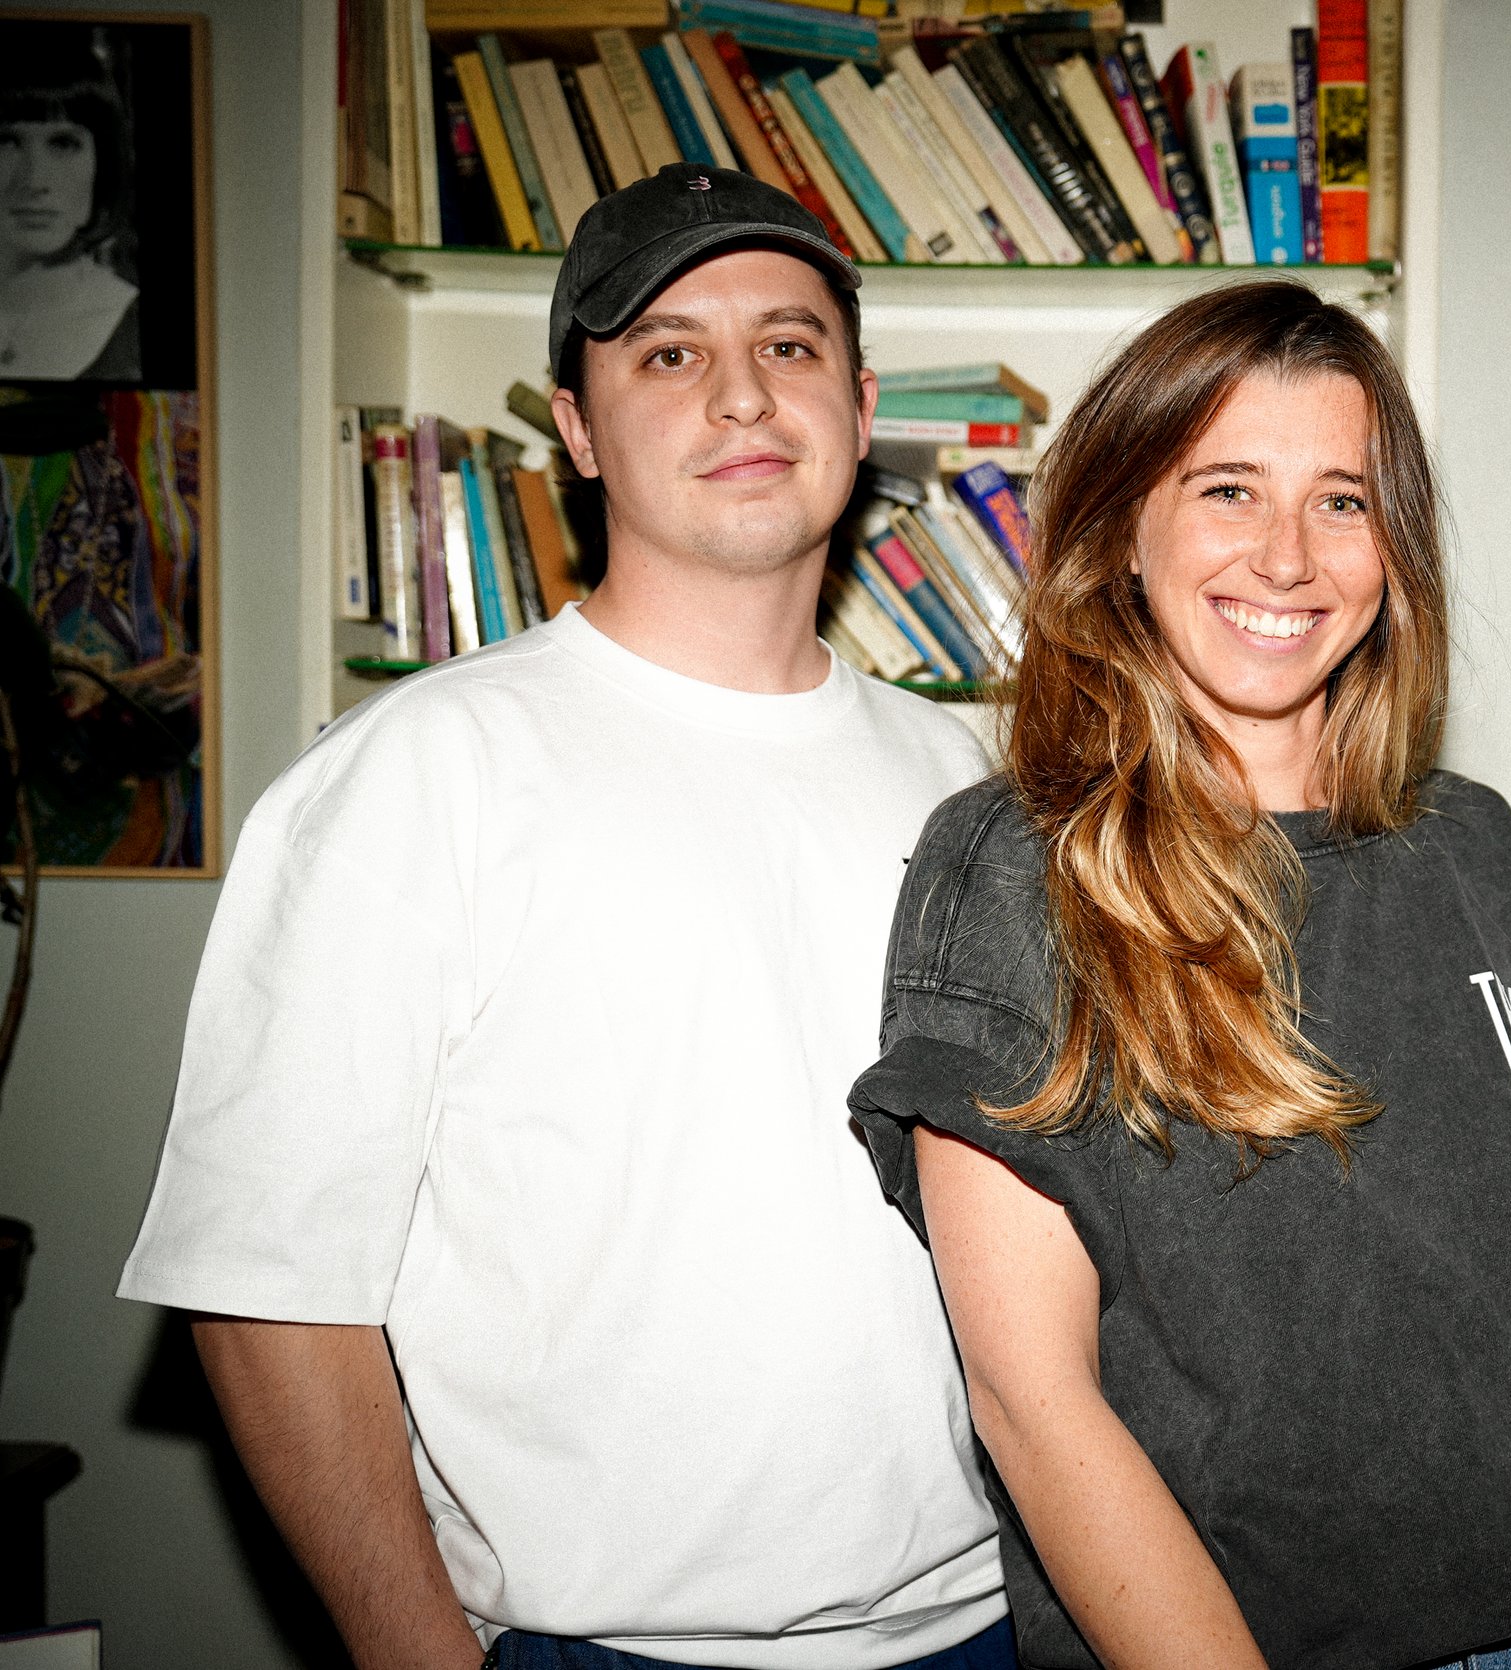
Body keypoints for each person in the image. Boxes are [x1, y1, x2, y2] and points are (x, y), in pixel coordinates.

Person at [119, 165, 1010, 1670]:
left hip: (986, 1625)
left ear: (859, 409)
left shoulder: (969, 777)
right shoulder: (421, 774)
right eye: (669, 352)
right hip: (598, 1649)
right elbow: (268, 1298)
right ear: (578, 432)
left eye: (788, 345)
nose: (742, 396)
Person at [848, 279, 1511, 1670]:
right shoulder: (1019, 870)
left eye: (1343, 499)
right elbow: (1032, 1396)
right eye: (1227, 490)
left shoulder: (1482, 844)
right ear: (1120, 533)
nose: (1287, 555)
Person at [0, 24, 141, 381]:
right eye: (6, 143)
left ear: (102, 163)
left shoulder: (130, 324)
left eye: (63, 145)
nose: (34, 182)